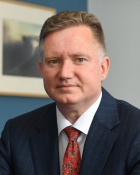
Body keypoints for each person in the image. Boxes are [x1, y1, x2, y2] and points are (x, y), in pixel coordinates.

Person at [0, 11, 140, 175]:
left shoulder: (136, 130)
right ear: (42, 70)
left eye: (79, 59)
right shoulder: (15, 134)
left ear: (103, 68)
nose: (65, 73)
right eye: (54, 61)